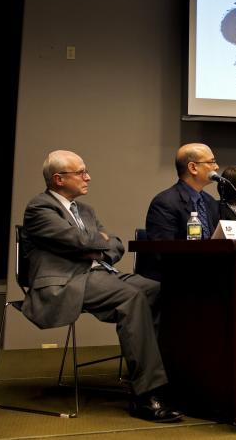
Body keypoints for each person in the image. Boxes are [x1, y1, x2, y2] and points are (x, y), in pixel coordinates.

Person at [21, 150, 182, 423]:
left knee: (159, 289)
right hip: (67, 281)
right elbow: (80, 242)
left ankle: (163, 377)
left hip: (102, 273)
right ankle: (146, 395)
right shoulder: (39, 208)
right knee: (131, 298)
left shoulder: (85, 210)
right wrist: (95, 242)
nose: (88, 177)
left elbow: (115, 245)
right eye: (81, 172)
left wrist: (96, 246)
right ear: (58, 179)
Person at [142, 143, 221, 281]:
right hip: (176, 277)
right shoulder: (165, 202)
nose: (216, 167)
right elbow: (163, 253)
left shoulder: (210, 202)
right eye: (211, 162)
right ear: (193, 168)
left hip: (208, 273)